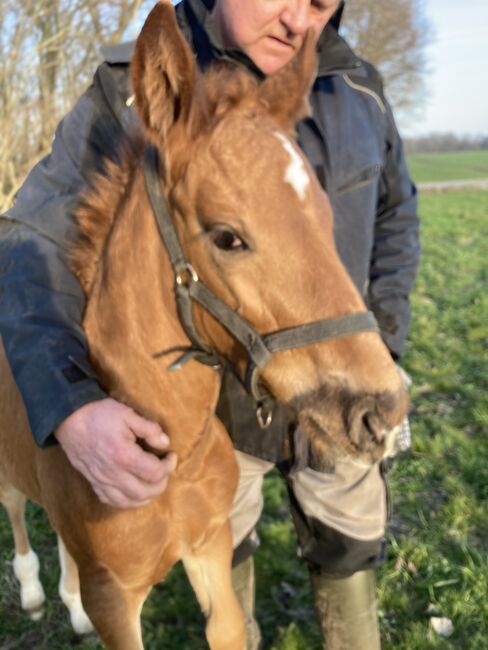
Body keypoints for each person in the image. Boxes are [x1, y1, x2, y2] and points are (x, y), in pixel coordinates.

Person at [0, 0, 420, 648]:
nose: (300, 18)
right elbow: (28, 246)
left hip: (343, 384)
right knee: (229, 571)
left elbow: (397, 220)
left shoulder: (356, 84)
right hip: (217, 421)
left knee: (352, 553)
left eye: (322, 2)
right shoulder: (129, 92)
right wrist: (69, 406)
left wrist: (382, 346)